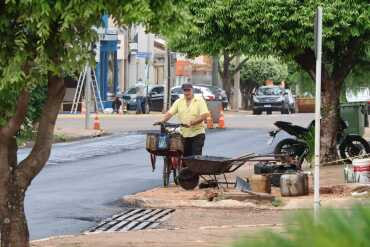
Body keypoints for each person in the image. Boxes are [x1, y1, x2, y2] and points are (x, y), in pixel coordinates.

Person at [156, 83, 210, 157]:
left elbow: (204, 115)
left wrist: (192, 123)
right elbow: (170, 113)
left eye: (188, 90)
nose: (187, 92)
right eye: (185, 90)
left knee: (196, 157)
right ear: (183, 91)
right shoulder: (179, 101)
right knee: (185, 158)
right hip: (184, 134)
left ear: (192, 90)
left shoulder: (199, 101)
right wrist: (162, 120)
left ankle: (194, 167)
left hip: (197, 134)